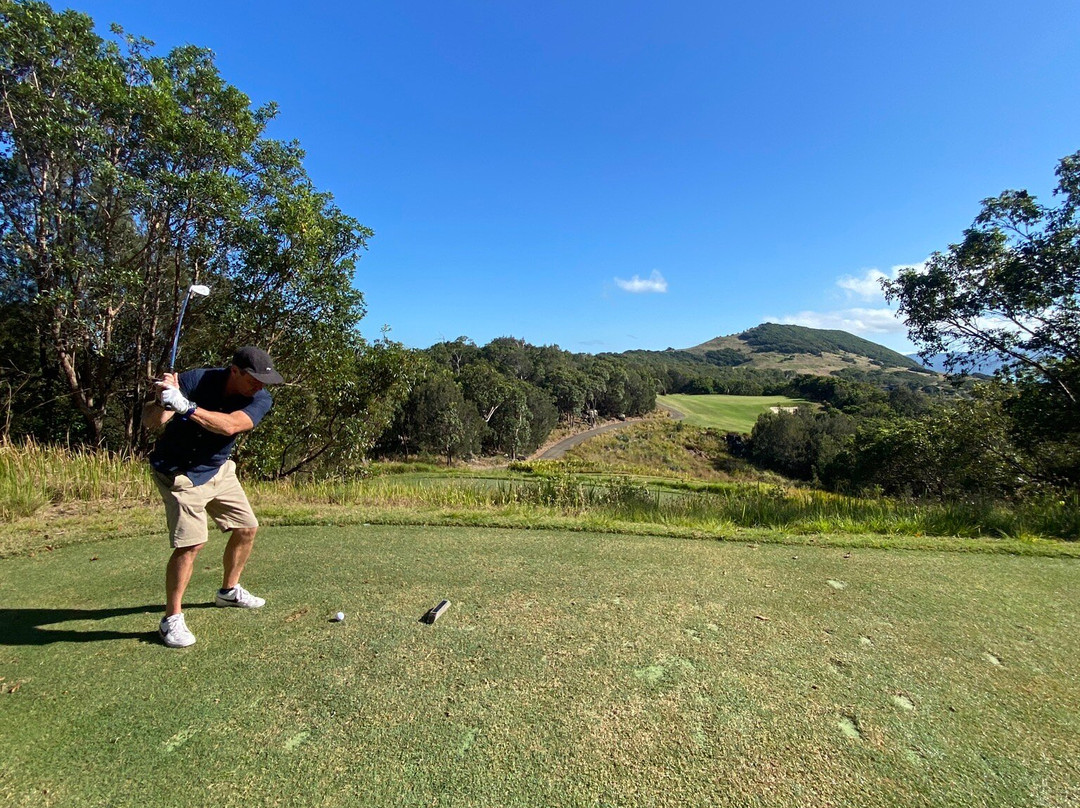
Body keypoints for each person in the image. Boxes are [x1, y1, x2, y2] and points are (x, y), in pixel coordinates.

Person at [142, 346, 284, 648]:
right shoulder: (196, 380)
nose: (260, 385)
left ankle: (229, 591)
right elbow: (153, 421)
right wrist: (162, 398)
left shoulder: (261, 398)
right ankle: (171, 619)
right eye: (254, 378)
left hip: (218, 469)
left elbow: (231, 425)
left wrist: (187, 407)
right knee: (192, 543)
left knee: (247, 528)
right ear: (235, 371)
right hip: (178, 472)